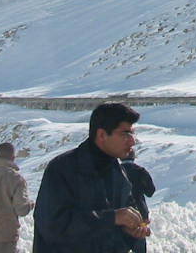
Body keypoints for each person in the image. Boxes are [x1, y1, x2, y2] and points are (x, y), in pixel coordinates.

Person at [32, 102, 151, 253]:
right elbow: (52, 226)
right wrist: (112, 218)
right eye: (125, 134)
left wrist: (131, 232)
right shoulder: (63, 168)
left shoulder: (118, 174)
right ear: (102, 135)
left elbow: (114, 236)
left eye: (132, 134)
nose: (132, 141)